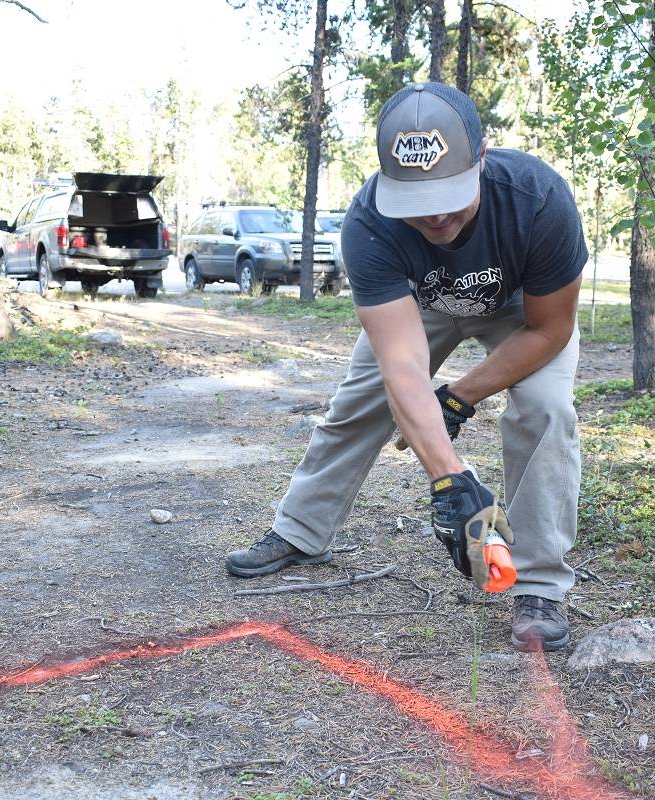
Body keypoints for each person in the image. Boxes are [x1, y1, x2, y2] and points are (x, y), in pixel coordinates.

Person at [225, 82, 586, 652]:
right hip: (422, 304)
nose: (437, 215)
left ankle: (538, 584)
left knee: (545, 410)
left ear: (482, 157)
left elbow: (550, 330)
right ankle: (301, 531)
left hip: (520, 311)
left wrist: (460, 397)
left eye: (451, 193)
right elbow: (400, 364)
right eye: (418, 204)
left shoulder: (537, 199)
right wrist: (453, 482)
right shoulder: (370, 223)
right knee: (358, 404)